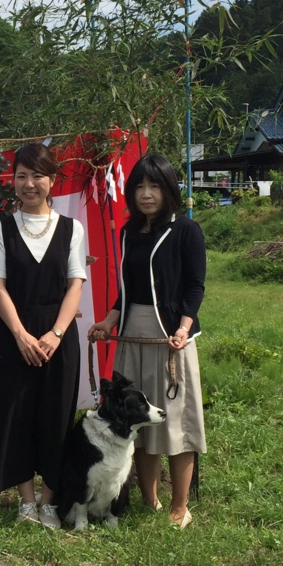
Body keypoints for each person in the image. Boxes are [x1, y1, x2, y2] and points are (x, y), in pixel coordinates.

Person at [88, 152, 206, 528]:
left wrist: (184, 327)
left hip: (171, 337)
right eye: (139, 185)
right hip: (132, 334)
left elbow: (195, 285)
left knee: (177, 422)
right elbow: (126, 291)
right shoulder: (127, 232)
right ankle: (149, 500)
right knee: (138, 420)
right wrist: (108, 320)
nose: (146, 193)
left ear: (168, 188)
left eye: (154, 185)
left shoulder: (186, 229)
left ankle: (179, 507)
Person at [0, 142, 86, 528]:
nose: (30, 184)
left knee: (56, 414)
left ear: (52, 180)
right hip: (14, 334)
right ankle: (26, 501)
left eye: (38, 176)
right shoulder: (0, 227)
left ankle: (49, 500)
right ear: (13, 181)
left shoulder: (72, 229)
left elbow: (75, 284)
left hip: (59, 335)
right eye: (22, 176)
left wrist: (55, 334)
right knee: (16, 414)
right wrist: (22, 336)